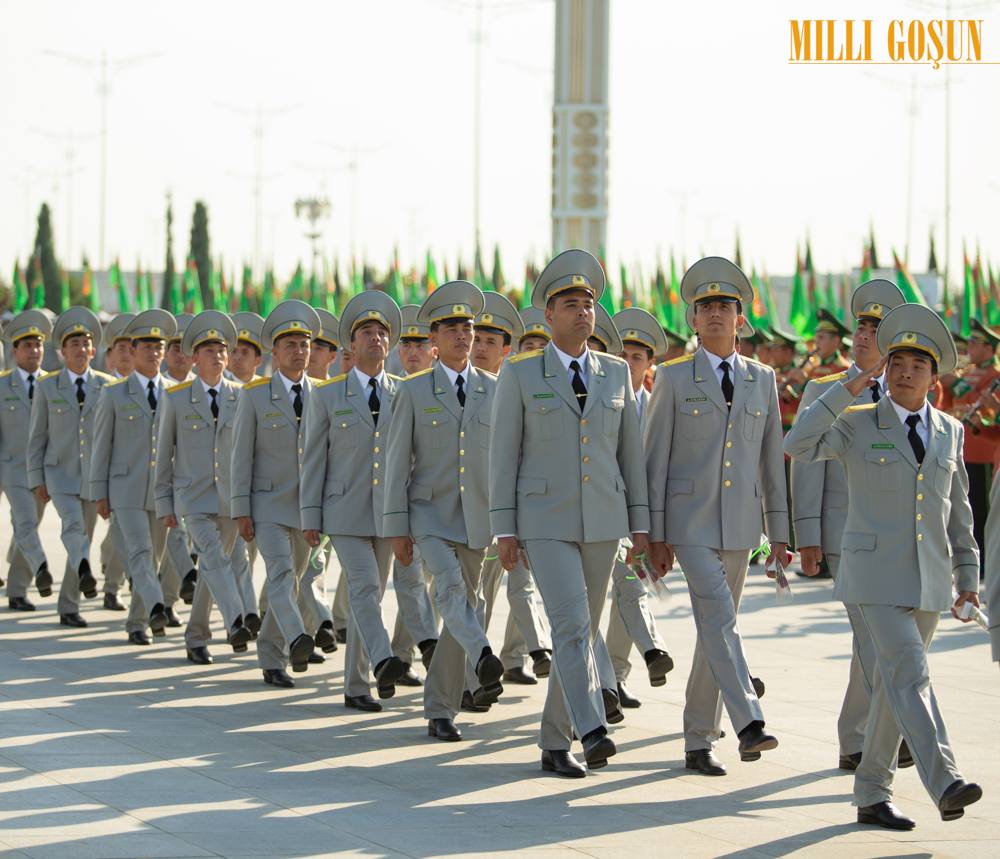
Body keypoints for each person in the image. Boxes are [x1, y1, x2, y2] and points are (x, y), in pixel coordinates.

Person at [785, 303, 982, 829]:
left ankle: (871, 791)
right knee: (910, 674)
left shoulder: (949, 431)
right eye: (896, 362)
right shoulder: (856, 422)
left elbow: (957, 510)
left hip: (931, 578)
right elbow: (797, 443)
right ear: (884, 369)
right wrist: (846, 388)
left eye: (918, 365)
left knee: (896, 688)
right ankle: (945, 780)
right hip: (873, 577)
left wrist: (969, 578)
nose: (905, 372)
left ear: (933, 376)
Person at [489, 250, 649, 776]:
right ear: (548, 315)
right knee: (572, 624)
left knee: (580, 628)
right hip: (544, 521)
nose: (582, 312)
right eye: (570, 304)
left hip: (604, 522)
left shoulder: (616, 372)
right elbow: (503, 455)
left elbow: (630, 454)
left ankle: (553, 741)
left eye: (588, 304)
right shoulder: (520, 374)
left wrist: (641, 523)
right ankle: (592, 729)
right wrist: (505, 528)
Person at [645, 257, 786, 777]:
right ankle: (749, 720)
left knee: (714, 629)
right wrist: (654, 534)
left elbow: (772, 461)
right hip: (688, 523)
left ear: (741, 318)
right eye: (705, 307)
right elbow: (653, 459)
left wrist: (780, 532)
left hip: (742, 526)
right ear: (693, 320)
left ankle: (699, 738)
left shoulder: (762, 379)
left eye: (724, 306)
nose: (715, 314)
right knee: (720, 617)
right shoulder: (675, 378)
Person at [791, 279, 907, 770]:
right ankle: (865, 738)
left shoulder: (908, 391)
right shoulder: (823, 389)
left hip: (896, 537)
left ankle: (864, 734)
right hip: (843, 531)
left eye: (875, 328)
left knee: (880, 640)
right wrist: (807, 536)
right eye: (860, 325)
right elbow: (803, 461)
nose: (863, 335)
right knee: (871, 636)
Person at [384, 281, 503, 741]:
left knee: (463, 609)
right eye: (451, 328)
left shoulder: (495, 389)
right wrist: (396, 527)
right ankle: (484, 654)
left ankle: (440, 709)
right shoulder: (413, 392)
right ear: (435, 339)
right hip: (428, 513)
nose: (462, 335)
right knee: (452, 593)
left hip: (478, 516)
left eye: (467, 327)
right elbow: (396, 464)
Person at [301, 291, 410, 711]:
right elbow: (313, 459)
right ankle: (384, 659)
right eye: (367, 332)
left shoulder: (404, 394)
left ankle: (356, 685)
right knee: (363, 587)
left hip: (387, 513)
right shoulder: (327, 395)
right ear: (351, 343)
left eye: (383, 333)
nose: (377, 339)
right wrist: (311, 514)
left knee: (372, 595)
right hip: (343, 509)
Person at [231, 300, 325, 687]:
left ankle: (271, 658)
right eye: (290, 345)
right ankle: (297, 637)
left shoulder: (323, 394)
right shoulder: (254, 395)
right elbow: (240, 455)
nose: (299, 352)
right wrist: (240, 510)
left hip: (307, 508)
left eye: (304, 345)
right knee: (282, 575)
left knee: (293, 581)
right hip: (267, 503)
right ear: (275, 351)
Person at [156, 311, 254, 665]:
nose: (217, 356)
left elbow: (249, 453)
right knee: (213, 557)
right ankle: (236, 621)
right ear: (194, 358)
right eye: (208, 350)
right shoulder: (177, 398)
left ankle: (196, 636)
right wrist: (164, 502)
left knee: (215, 567)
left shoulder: (242, 396)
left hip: (230, 499)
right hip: (193, 498)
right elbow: (163, 452)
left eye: (221, 350)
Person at [474, 292, 552, 687]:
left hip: (521, 506)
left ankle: (530, 652)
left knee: (524, 584)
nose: (481, 348)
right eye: (477, 339)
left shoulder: (527, 388)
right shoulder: (463, 386)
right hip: (477, 508)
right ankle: (476, 667)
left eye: (491, 341)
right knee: (480, 593)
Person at [91, 309, 178, 645]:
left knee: (155, 555)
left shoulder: (175, 391)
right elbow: (102, 445)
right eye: (146, 347)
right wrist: (99, 491)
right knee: (140, 553)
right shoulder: (114, 393)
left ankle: (138, 621)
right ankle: (156, 606)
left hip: (162, 490)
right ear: (132, 349)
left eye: (159, 347)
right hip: (124, 487)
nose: (154, 353)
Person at [26, 307, 114, 626]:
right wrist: (36, 478)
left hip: (93, 478)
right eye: (72, 344)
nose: (79, 349)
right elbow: (37, 437)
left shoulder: (107, 386)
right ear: (62, 352)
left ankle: (69, 605)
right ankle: (86, 570)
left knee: (82, 540)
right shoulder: (48, 387)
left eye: (84, 344)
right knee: (74, 528)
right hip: (59, 474)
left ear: (93, 350)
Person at [607, 307, 675, 707]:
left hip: (644, 519)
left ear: (650, 363)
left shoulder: (657, 407)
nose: (629, 362)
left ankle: (615, 675)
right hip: (604, 514)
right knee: (629, 586)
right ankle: (653, 649)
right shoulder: (601, 402)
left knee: (625, 595)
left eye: (637, 356)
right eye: (623, 355)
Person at [1, 310, 55, 611]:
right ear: (15, 351)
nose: (34, 351)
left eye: (38, 345)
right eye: (28, 346)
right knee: (24, 523)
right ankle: (41, 568)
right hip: (10, 466)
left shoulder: (53, 384)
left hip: (44, 471)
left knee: (29, 525)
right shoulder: (2, 385)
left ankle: (17, 590)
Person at [938, 318, 1000, 577]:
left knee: (985, 512)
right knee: (967, 510)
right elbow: (949, 405)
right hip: (965, 447)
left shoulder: (994, 375)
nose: (970, 346)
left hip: (985, 452)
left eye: (975, 342)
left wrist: (961, 385)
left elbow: (987, 408)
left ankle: (986, 561)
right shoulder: (969, 372)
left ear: (989, 347)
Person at [809, 308, 852, 379]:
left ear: (836, 341)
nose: (816, 341)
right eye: (816, 337)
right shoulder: (814, 369)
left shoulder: (844, 370)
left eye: (821, 337)